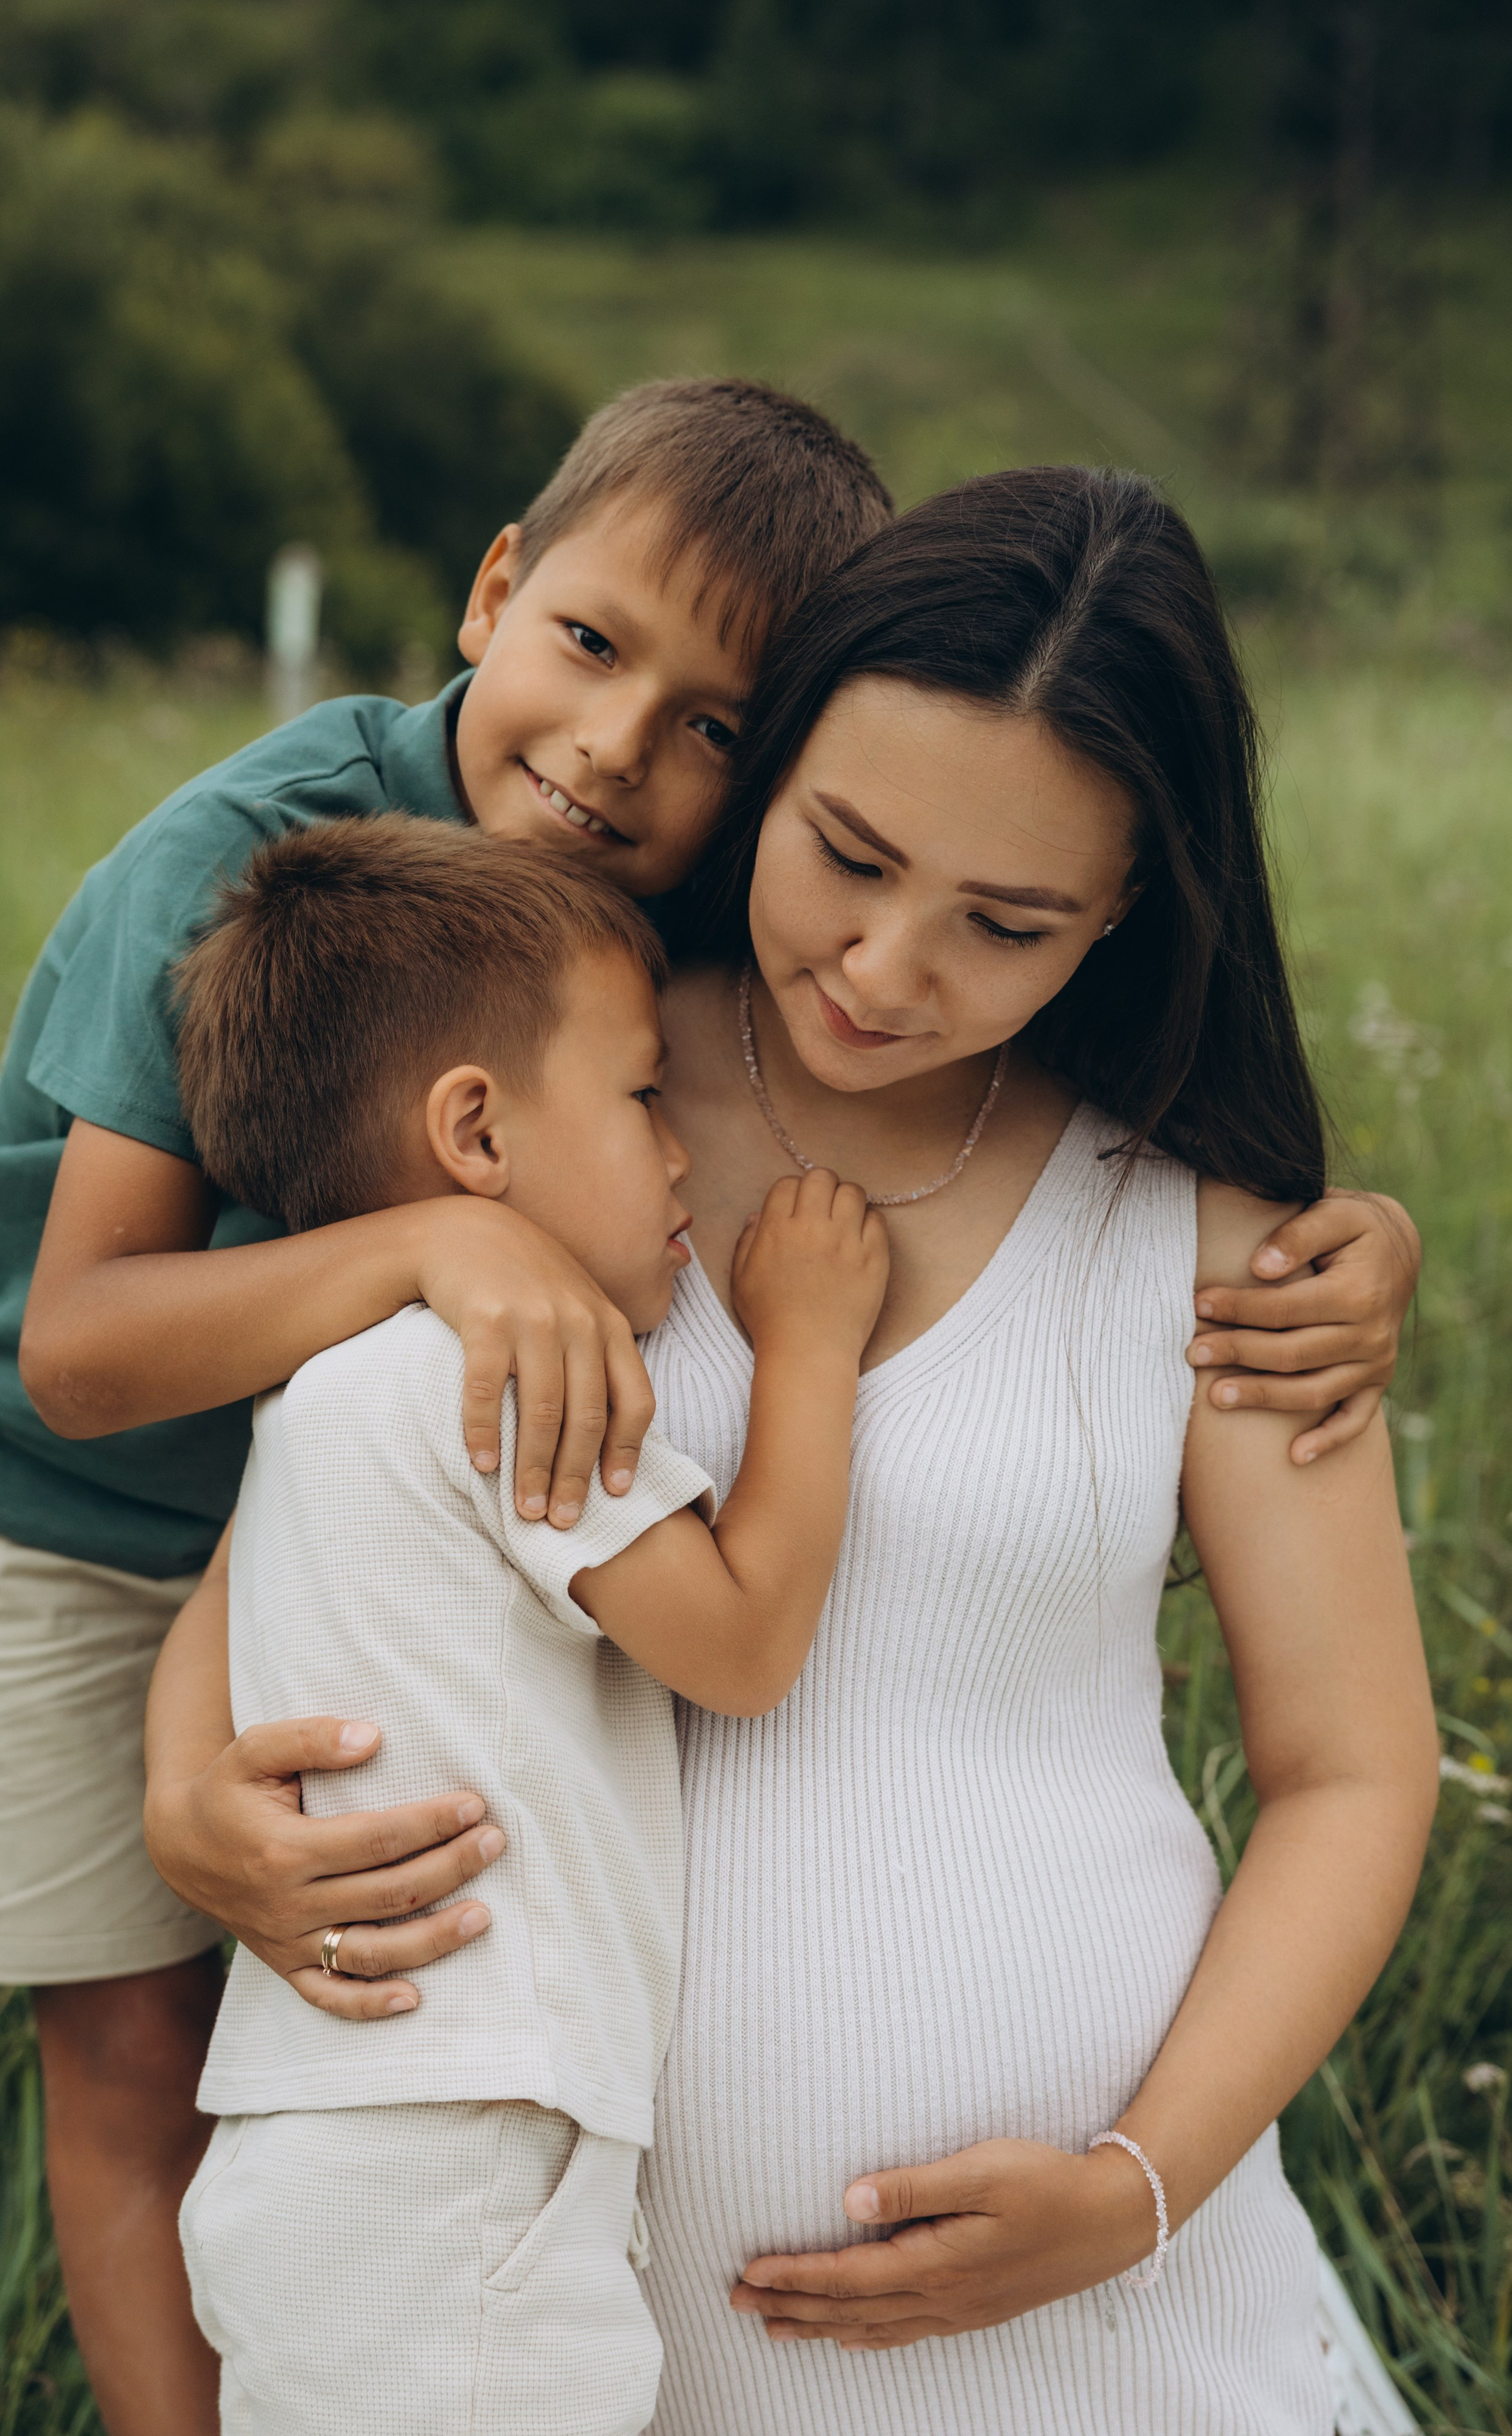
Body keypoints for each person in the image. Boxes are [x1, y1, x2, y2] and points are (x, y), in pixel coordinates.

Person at [148, 467, 1437, 2433]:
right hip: (573, 2331)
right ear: (777, 762)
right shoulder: (551, 1107)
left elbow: (1353, 1768)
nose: (886, 966)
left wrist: (1135, 2188)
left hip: (1120, 2321)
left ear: (1123, 917)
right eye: (845, 852)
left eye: (1008, 924)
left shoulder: (1221, 1241)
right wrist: (184, 1803)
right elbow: (304, 1517)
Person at [0, 378, 896, 2433]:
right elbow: (78, 1349)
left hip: (353, 1490)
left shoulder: (660, 897)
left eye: (713, 726)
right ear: (493, 589)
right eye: (591, 645)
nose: (615, 751)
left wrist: (1329, 1236)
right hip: (56, 1501)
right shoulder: (251, 857)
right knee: (143, 2045)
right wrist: (438, 1246)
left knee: (360, 1995)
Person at [168, 815, 886, 2433]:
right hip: (458, 2159)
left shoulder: (322, 1393)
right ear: (475, 1136)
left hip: (337, 2148)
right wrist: (814, 1347)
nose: (684, 1148)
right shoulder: (500, 1373)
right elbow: (747, 1643)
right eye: (642, 1098)